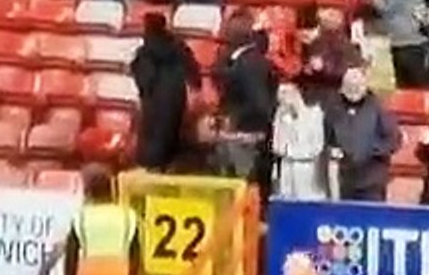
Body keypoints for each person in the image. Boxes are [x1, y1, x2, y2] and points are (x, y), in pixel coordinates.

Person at [64, 165, 139, 275]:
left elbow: (71, 255)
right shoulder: (128, 217)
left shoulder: (81, 217)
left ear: (88, 191)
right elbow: (135, 255)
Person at [212, 10, 278, 181]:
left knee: (244, 186)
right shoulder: (240, 60)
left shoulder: (251, 64)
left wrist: (234, 117)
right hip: (237, 136)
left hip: (246, 139)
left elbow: (261, 104)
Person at [130, 13, 200, 171]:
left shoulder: (145, 52)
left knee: (153, 140)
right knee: (172, 137)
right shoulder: (178, 46)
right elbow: (193, 71)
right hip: (176, 98)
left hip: (154, 101)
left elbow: (145, 80)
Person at [324, 68, 400, 202]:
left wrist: (370, 150)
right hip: (346, 180)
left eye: (357, 87)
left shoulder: (377, 107)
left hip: (372, 181)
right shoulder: (334, 108)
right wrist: (333, 150)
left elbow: (394, 140)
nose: (353, 91)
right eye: (350, 87)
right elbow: (329, 139)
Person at [272, 83, 326, 201]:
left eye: (285, 96)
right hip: (287, 173)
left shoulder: (315, 114)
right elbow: (277, 146)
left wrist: (291, 152)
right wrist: (285, 122)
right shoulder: (281, 114)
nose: (283, 103)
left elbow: (316, 147)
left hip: (308, 172)